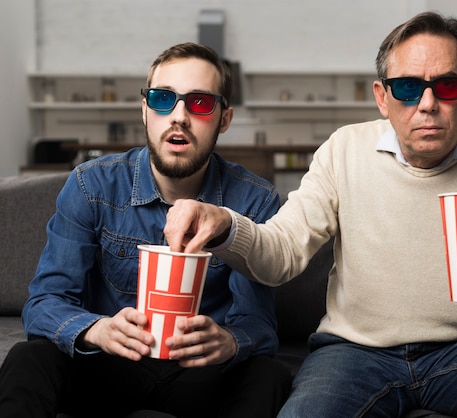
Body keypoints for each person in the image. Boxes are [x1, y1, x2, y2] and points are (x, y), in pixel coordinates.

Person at [162, 12, 457, 418]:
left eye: (446, 86)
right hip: (354, 355)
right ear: (382, 97)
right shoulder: (344, 151)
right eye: (408, 87)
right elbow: (281, 254)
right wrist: (223, 224)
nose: (427, 103)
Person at [0, 42, 291, 418]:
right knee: (29, 357)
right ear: (145, 111)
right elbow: (44, 302)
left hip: (198, 376)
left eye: (200, 103)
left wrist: (231, 341)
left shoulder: (255, 200)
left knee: (269, 375)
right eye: (162, 99)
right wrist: (97, 330)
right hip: (106, 364)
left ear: (224, 119)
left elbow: (259, 324)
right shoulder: (92, 185)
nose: (179, 116)